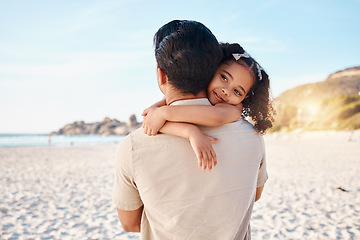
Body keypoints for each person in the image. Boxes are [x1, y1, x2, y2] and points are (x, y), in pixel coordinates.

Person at [113, 20, 267, 239]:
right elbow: (254, 195)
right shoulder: (253, 138)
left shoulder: (133, 146)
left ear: (161, 75)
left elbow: (129, 223)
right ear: (212, 71)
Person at [142, 43, 273, 173]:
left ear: (245, 97)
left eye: (237, 92)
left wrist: (163, 113)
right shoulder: (192, 91)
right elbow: (151, 120)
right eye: (224, 78)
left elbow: (217, 116)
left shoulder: (232, 109)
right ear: (212, 70)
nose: (226, 91)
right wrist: (190, 131)